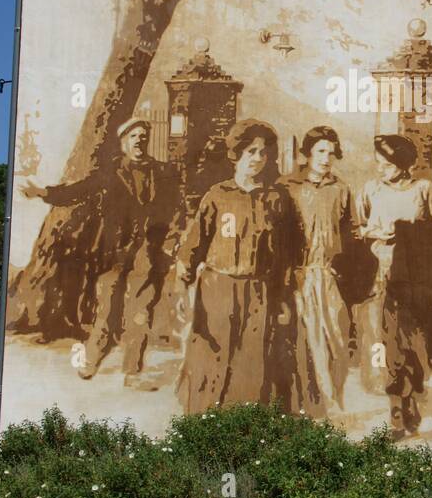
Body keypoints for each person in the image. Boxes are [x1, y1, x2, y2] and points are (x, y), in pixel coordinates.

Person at [21, 117, 181, 387]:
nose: (139, 140)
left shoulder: (163, 172)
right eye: (133, 137)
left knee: (140, 311)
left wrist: (170, 243)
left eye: (143, 136)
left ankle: (132, 370)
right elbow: (79, 190)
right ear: (124, 143)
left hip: (148, 253)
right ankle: (92, 360)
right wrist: (43, 192)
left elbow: (177, 209)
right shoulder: (110, 173)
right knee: (106, 308)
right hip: (113, 254)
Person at [175, 119, 295, 414]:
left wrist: (281, 298)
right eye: (251, 151)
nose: (257, 158)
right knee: (211, 355)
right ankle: (201, 421)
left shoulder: (276, 199)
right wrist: (182, 287)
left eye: (263, 153)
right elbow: (193, 246)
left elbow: (283, 256)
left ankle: (242, 428)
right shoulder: (217, 196)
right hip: (218, 288)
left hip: (258, 290)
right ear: (236, 155)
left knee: (251, 361)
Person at [354, 134, 432, 439]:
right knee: (387, 345)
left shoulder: (424, 190)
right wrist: (375, 236)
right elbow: (356, 227)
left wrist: (417, 242)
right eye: (377, 163)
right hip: (379, 279)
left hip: (415, 281)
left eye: (386, 164)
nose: (380, 169)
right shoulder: (370, 190)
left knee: (415, 346)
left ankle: (411, 398)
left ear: (402, 165)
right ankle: (396, 413)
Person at [280, 126, 354, 417]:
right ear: (307, 153)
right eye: (321, 151)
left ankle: (334, 396)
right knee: (310, 344)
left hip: (329, 276)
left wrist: (345, 269)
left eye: (331, 152)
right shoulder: (289, 187)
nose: (327, 158)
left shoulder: (340, 189)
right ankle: (321, 407)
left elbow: (351, 233)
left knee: (338, 340)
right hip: (300, 275)